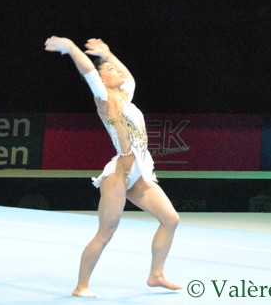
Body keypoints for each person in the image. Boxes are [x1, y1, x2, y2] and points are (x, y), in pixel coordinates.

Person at [44, 35, 181, 298]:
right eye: (109, 69)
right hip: (119, 174)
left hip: (139, 172)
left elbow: (130, 78)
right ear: (103, 80)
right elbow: (88, 71)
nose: (116, 70)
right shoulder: (105, 99)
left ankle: (156, 275)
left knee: (171, 219)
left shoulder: (125, 97)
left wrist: (107, 54)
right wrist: (71, 48)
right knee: (106, 233)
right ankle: (81, 286)